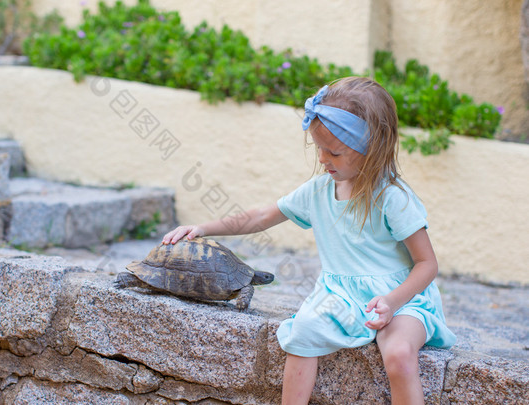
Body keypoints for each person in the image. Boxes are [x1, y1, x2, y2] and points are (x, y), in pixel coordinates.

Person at [162, 76, 456, 405]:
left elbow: (427, 264)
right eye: (319, 148)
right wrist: (203, 228)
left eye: (335, 152)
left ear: (370, 149)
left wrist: (392, 301)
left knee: (400, 355)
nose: (322, 158)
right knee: (301, 334)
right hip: (340, 296)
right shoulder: (318, 191)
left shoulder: (392, 198)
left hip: (403, 299)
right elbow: (261, 216)